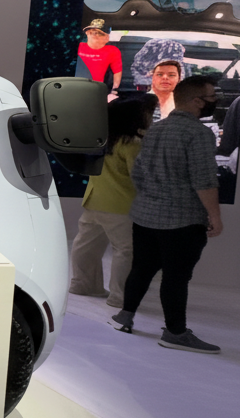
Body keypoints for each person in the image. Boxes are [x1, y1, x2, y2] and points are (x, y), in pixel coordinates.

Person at [112, 76, 223, 353]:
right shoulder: (198, 134)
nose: (214, 101)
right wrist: (215, 216)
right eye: (211, 96)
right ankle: (175, 331)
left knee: (142, 268)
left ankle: (125, 316)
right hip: (182, 219)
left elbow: (138, 172)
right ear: (198, 101)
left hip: (147, 214)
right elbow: (204, 179)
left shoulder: (156, 129)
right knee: (176, 277)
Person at [69, 98, 153, 307]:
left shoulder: (102, 139)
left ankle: (82, 284)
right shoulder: (133, 143)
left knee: (85, 245)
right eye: (149, 113)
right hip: (123, 205)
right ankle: (120, 296)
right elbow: (140, 176)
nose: (151, 118)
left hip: (94, 200)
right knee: (126, 250)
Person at [76, 19, 123, 93]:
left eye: (100, 33)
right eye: (92, 32)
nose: (95, 35)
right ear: (87, 33)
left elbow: (117, 72)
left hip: (95, 89)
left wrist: (114, 90)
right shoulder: (77, 47)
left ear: (107, 38)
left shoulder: (112, 51)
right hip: (72, 86)